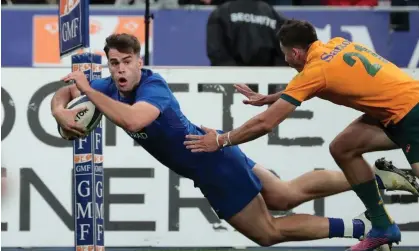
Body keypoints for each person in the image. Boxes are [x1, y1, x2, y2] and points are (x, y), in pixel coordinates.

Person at [51, 33, 418, 249]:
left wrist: (87, 91)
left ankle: (365, 229)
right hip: (217, 153)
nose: (119, 70)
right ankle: (382, 178)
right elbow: (63, 93)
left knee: (268, 233)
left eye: (125, 62)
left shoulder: (152, 86)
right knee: (285, 195)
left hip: (212, 165)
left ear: (138, 61)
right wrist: (60, 111)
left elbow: (133, 118)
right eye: (113, 63)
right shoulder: (109, 86)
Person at [184, 19, 419, 251]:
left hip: (411, 117)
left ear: (296, 53)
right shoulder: (337, 44)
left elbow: (266, 123)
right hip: (393, 111)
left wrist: (220, 140)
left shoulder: (316, 72)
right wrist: (271, 98)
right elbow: (310, 82)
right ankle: (381, 226)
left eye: (285, 54)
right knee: (343, 148)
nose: (285, 60)